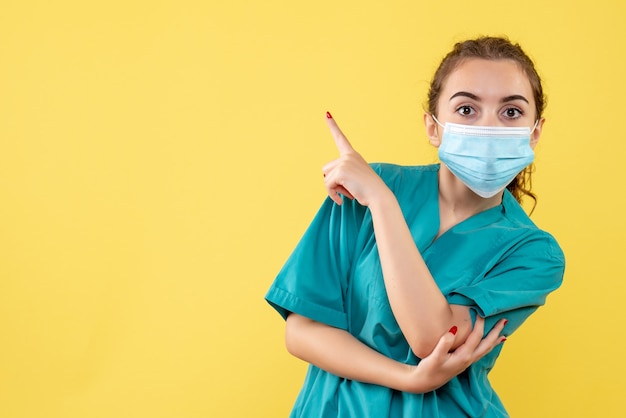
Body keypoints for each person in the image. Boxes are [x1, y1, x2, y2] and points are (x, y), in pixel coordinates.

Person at [265, 36, 565, 417]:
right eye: (467, 109)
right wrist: (408, 378)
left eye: (510, 113)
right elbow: (301, 330)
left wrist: (383, 205)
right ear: (433, 126)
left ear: (534, 132)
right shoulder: (366, 187)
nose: (488, 127)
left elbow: (434, 338)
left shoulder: (534, 253)